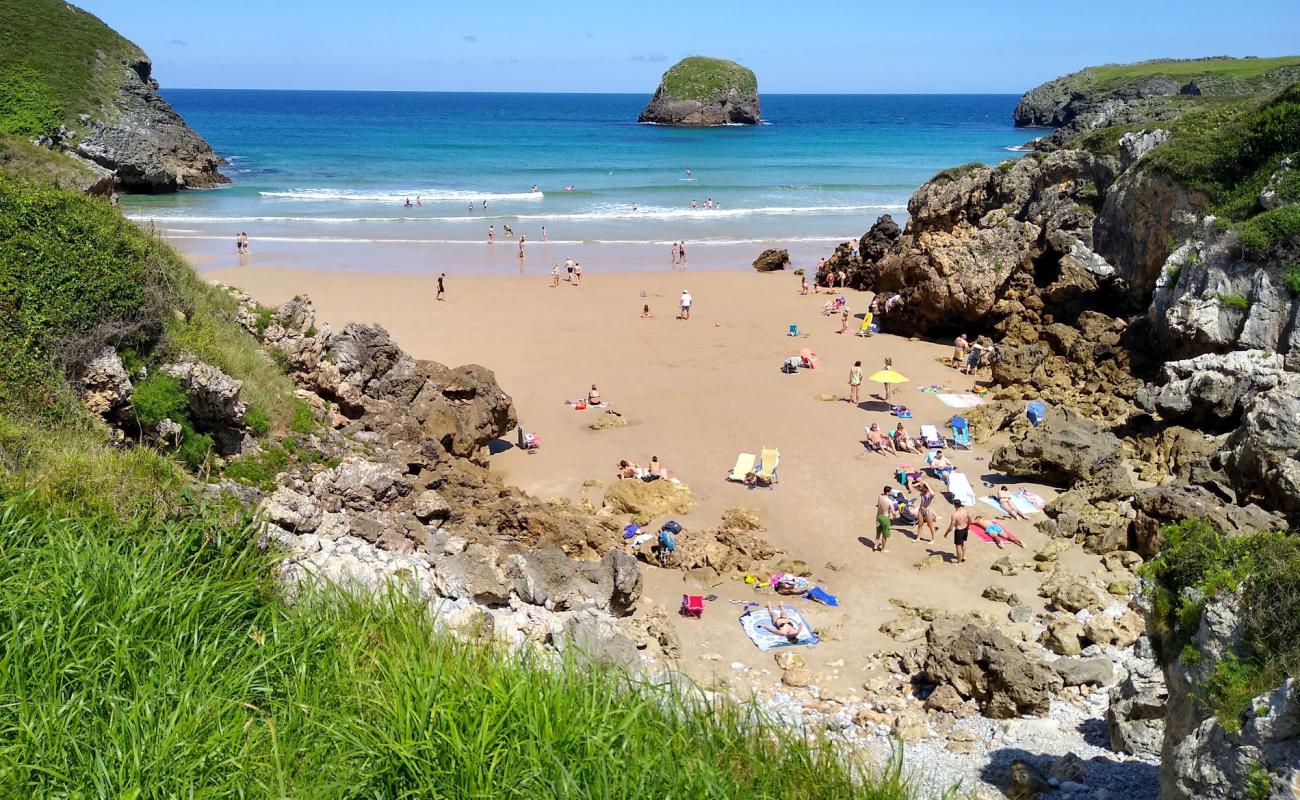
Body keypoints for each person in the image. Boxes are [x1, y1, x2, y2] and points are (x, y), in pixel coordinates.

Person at [944, 499, 971, 564]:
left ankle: (959, 562)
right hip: (965, 528)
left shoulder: (955, 515)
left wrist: (946, 533)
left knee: (958, 546)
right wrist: (968, 526)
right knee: (963, 543)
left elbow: (951, 526)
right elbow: (970, 519)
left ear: (954, 505)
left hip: (959, 530)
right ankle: (963, 557)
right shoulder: (965, 511)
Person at [875, 485, 894, 552]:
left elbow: (878, 503)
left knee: (878, 532)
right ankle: (883, 549)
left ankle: (875, 545)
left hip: (878, 517)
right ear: (888, 492)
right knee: (884, 535)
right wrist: (895, 516)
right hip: (885, 519)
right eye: (891, 491)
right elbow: (893, 512)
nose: (892, 492)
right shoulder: (889, 501)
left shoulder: (880, 497)